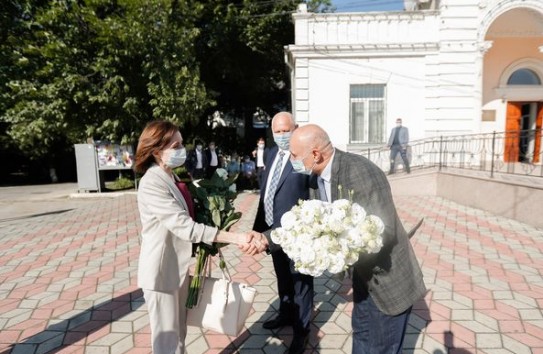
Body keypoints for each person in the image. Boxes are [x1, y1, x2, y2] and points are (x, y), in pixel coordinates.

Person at [289, 124, 426, 354]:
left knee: (381, 348)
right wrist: (268, 240)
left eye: (294, 155)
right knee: (362, 338)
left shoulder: (360, 171)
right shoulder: (317, 177)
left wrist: (335, 252)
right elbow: (309, 223)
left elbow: (384, 230)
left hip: (388, 281)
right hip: (364, 279)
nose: (291, 160)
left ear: (315, 154)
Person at [134, 121, 268, 354]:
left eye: (182, 144)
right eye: (176, 145)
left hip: (176, 269)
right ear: (156, 151)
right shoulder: (152, 183)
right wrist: (235, 238)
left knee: (179, 335)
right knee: (167, 341)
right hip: (160, 274)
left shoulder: (171, 177)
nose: (181, 150)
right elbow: (184, 226)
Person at [252, 112, 313, 354]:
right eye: (277, 131)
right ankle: (286, 315)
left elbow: (315, 188)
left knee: (301, 282)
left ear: (295, 128)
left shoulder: (303, 156)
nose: (281, 136)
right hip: (273, 231)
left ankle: (302, 332)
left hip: (298, 233)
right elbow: (267, 192)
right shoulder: (271, 153)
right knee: (283, 277)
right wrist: (260, 229)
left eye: (285, 130)